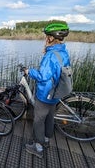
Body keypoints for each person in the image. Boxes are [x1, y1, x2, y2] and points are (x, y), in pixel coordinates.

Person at [25, 22, 71, 158]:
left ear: (51, 38)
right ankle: (46, 140)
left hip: (46, 94)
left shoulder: (50, 55)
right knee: (50, 117)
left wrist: (29, 71)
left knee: (39, 120)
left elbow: (42, 76)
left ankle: (38, 148)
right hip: (56, 93)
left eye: (47, 36)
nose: (45, 38)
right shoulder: (62, 52)